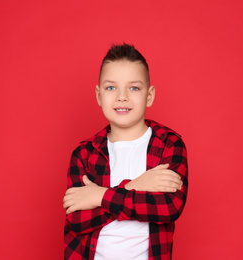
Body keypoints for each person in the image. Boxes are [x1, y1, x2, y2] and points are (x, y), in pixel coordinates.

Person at [63, 43, 188, 260]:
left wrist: (99, 195)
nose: (122, 97)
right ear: (98, 94)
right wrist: (136, 185)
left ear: (149, 95)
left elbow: (169, 207)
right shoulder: (84, 153)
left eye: (134, 88)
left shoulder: (168, 144)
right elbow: (78, 221)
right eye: (111, 87)